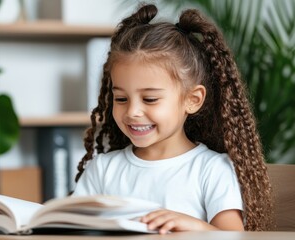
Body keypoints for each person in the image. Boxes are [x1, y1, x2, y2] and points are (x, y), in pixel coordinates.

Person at [72, 4, 273, 233]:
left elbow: (233, 237)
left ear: (193, 99)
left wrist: (192, 226)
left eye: (149, 99)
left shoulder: (212, 170)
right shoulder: (102, 170)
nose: (132, 112)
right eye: (121, 99)